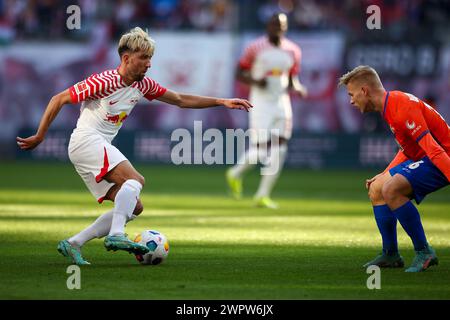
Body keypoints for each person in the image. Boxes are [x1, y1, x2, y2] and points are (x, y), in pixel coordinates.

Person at [16, 27, 252, 265]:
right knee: (136, 180)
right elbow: (59, 98)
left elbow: (180, 100)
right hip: (86, 140)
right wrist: (39, 135)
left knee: (133, 207)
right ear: (127, 59)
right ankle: (116, 235)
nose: (149, 64)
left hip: (95, 146)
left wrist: (221, 101)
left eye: (150, 58)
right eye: (144, 58)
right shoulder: (104, 81)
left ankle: (74, 243)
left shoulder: (143, 85)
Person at [339, 65, 450, 272]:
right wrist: (383, 173)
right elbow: (408, 151)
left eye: (352, 95)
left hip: (443, 157)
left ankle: (424, 251)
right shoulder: (391, 107)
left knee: (391, 189)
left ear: (364, 91)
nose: (351, 101)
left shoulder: (401, 108)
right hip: (430, 156)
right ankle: (391, 254)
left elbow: (434, 150)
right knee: (377, 188)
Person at [226, 13, 307, 209]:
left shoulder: (293, 50)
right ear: (267, 27)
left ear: (286, 27)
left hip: (281, 102)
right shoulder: (255, 47)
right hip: (260, 103)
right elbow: (239, 73)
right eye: (273, 24)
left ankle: (262, 195)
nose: (277, 28)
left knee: (280, 148)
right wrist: (255, 81)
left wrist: (298, 87)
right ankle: (235, 173)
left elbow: (291, 78)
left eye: (281, 25)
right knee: (261, 149)